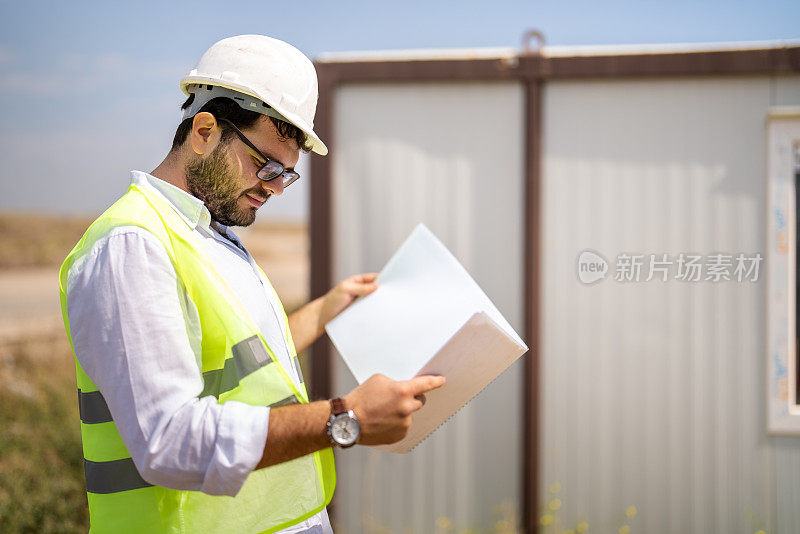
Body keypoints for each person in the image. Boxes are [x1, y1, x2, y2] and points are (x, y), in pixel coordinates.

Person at [58, 34, 445, 534]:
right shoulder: (132, 247)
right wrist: (343, 419)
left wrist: (326, 310)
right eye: (266, 165)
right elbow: (168, 442)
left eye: (286, 175)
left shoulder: (208, 233)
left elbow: (238, 360)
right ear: (204, 131)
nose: (272, 186)